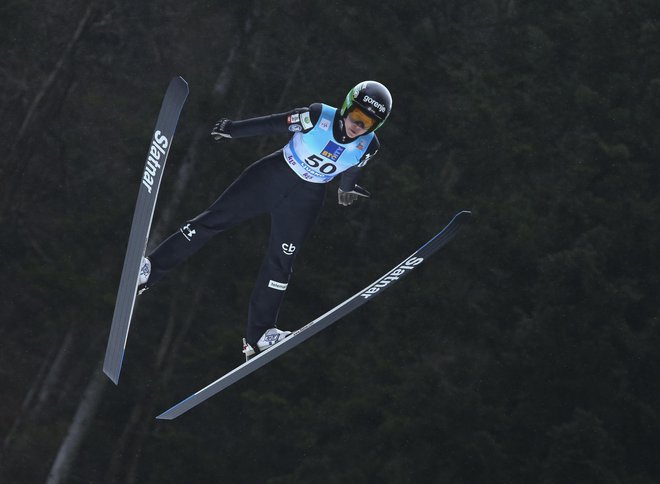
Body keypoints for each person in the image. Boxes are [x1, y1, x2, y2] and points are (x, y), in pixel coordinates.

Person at [137, 80, 393, 359]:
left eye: (368, 123)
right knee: (211, 221)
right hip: (272, 176)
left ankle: (259, 336)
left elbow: (353, 167)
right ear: (347, 107)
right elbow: (276, 123)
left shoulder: (369, 146)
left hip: (305, 200)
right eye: (357, 117)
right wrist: (234, 130)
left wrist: (345, 188)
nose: (359, 126)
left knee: (281, 263)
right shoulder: (318, 115)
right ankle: (150, 269)